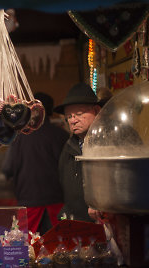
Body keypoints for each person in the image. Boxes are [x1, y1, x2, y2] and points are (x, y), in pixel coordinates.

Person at [2, 92, 68, 234]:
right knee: (59, 248)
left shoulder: (19, 136)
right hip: (57, 202)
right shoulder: (61, 135)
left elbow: (7, 168)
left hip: (28, 202)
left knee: (28, 249)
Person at [53, 83, 103, 222]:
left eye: (79, 114)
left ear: (97, 110)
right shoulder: (68, 147)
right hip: (78, 224)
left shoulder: (110, 141)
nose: (73, 120)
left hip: (107, 221)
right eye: (69, 116)